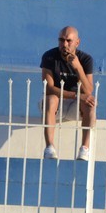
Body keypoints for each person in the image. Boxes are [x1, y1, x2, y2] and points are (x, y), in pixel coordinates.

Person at [40, 26, 96, 161]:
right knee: (51, 99)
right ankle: (49, 147)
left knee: (90, 103)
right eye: (61, 40)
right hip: (55, 105)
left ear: (77, 42)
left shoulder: (85, 59)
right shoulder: (49, 56)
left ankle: (84, 149)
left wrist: (78, 67)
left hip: (75, 107)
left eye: (68, 41)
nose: (64, 44)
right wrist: (76, 95)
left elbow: (88, 90)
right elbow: (48, 88)